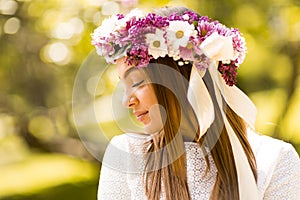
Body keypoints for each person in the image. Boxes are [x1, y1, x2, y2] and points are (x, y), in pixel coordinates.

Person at [91, 6, 300, 200]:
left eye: (136, 82)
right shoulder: (127, 156)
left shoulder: (274, 161)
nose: (127, 101)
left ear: (178, 78)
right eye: (123, 85)